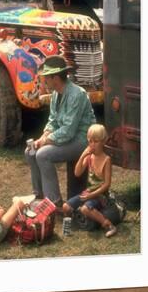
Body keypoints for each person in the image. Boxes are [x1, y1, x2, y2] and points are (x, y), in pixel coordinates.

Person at [25, 55, 96, 207]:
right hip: (67, 137)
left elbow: (69, 131)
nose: (44, 81)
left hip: (82, 140)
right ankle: (39, 196)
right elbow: (53, 121)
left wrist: (46, 141)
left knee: (43, 154)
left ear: (55, 78)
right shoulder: (56, 94)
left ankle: (54, 203)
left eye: (46, 78)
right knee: (30, 151)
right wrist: (42, 137)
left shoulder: (77, 94)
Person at [62, 124, 117, 238]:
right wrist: (83, 155)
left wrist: (91, 195)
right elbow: (77, 173)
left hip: (100, 196)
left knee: (85, 209)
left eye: (95, 141)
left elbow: (107, 184)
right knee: (65, 207)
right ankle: (74, 222)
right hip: (88, 193)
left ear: (103, 141)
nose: (92, 144)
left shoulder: (106, 159)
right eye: (90, 141)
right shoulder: (89, 157)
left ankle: (109, 225)